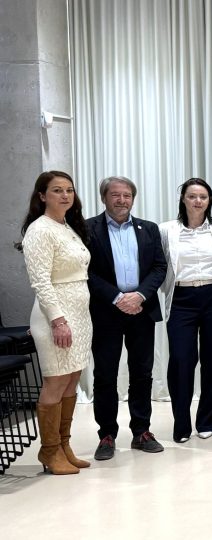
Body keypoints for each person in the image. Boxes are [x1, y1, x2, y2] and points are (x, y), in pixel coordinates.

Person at [87, 176, 168, 460]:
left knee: (142, 374)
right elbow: (86, 271)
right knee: (105, 375)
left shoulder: (149, 228)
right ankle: (106, 434)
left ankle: (141, 431)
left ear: (133, 198)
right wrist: (117, 297)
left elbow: (159, 267)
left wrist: (140, 295)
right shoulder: (87, 228)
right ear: (104, 198)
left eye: (127, 195)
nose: (122, 200)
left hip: (141, 311)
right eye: (115, 195)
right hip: (106, 312)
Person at [19, 171, 93, 474]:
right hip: (57, 316)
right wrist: (58, 320)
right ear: (42, 196)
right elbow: (41, 282)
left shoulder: (67, 226)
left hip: (80, 315)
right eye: (57, 190)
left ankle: (64, 445)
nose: (65, 195)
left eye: (69, 190)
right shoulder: (39, 230)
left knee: (72, 377)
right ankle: (49, 451)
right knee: (56, 379)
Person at [158, 178, 212, 443]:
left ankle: (209, 421)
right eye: (192, 196)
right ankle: (181, 424)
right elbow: (160, 265)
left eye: (203, 197)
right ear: (183, 199)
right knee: (181, 360)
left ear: (209, 200)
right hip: (181, 298)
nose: (198, 201)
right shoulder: (167, 230)